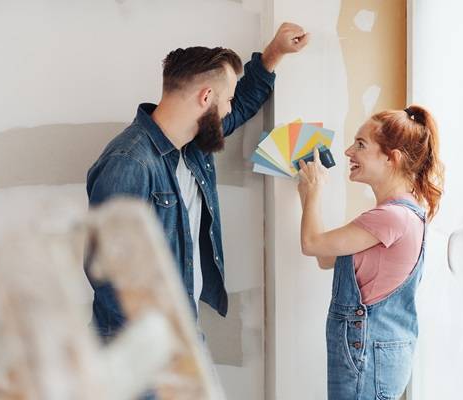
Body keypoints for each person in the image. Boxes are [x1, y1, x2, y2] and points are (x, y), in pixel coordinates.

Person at [85, 23, 309, 342]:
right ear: (206, 97)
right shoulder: (129, 162)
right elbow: (108, 270)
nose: (230, 107)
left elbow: (240, 107)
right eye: (226, 98)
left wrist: (274, 55)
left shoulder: (191, 146)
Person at [296, 105, 444, 399]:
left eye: (361, 145)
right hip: (374, 352)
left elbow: (311, 244)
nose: (349, 152)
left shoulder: (391, 217)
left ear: (392, 158)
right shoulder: (401, 213)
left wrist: (314, 192)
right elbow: (326, 258)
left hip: (367, 353)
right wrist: (307, 193)